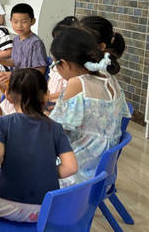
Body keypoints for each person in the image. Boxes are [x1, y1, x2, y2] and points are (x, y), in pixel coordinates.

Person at [0, 69, 77, 222]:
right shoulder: (56, 128)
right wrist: (45, 171)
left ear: (8, 96)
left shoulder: (2, 123)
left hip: (4, 205)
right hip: (44, 210)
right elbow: (71, 167)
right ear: (46, 96)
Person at [49, 26, 130, 187]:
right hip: (101, 174)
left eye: (54, 65)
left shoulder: (78, 83)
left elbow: (55, 133)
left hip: (76, 176)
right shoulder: (108, 77)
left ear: (63, 63)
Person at [0, 3, 47, 118]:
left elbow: (40, 70)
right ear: (10, 21)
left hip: (28, 82)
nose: (19, 25)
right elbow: (15, 62)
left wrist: (13, 74)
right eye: (15, 22)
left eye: (24, 22)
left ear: (33, 21)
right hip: (16, 77)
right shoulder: (16, 40)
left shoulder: (36, 43)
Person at [47, 16, 78, 102]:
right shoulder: (55, 62)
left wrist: (49, 97)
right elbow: (50, 80)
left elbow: (67, 91)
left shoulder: (73, 69)